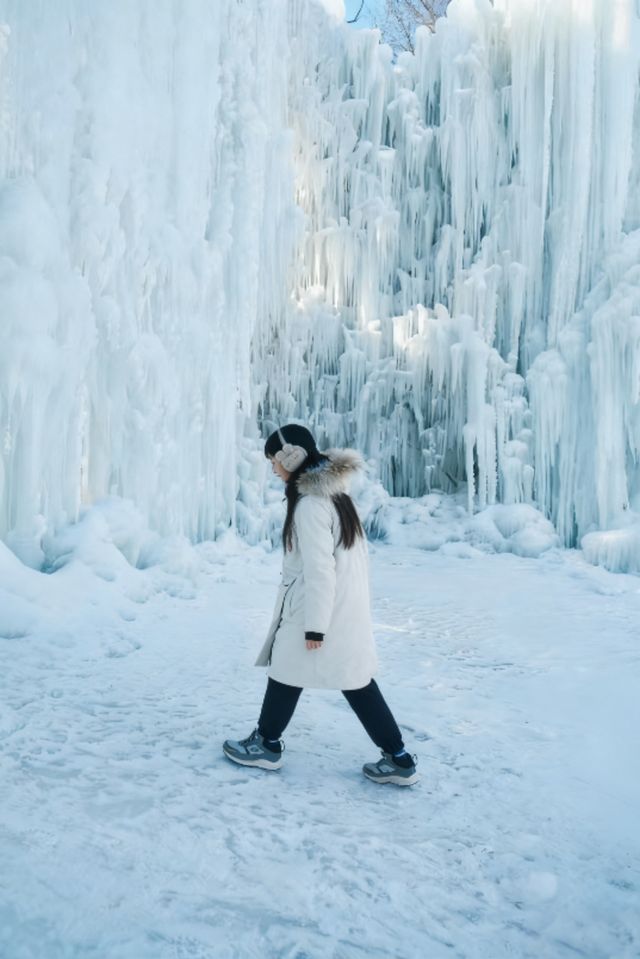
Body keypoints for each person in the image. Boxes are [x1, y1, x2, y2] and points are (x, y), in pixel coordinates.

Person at [223, 424, 418, 786]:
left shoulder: (311, 506)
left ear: (291, 457)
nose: (273, 469)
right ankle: (399, 756)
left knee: (287, 668)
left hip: (317, 610)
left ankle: (266, 744)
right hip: (343, 610)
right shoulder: (336, 498)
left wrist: (315, 626)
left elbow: (320, 569)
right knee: (353, 680)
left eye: (275, 461)